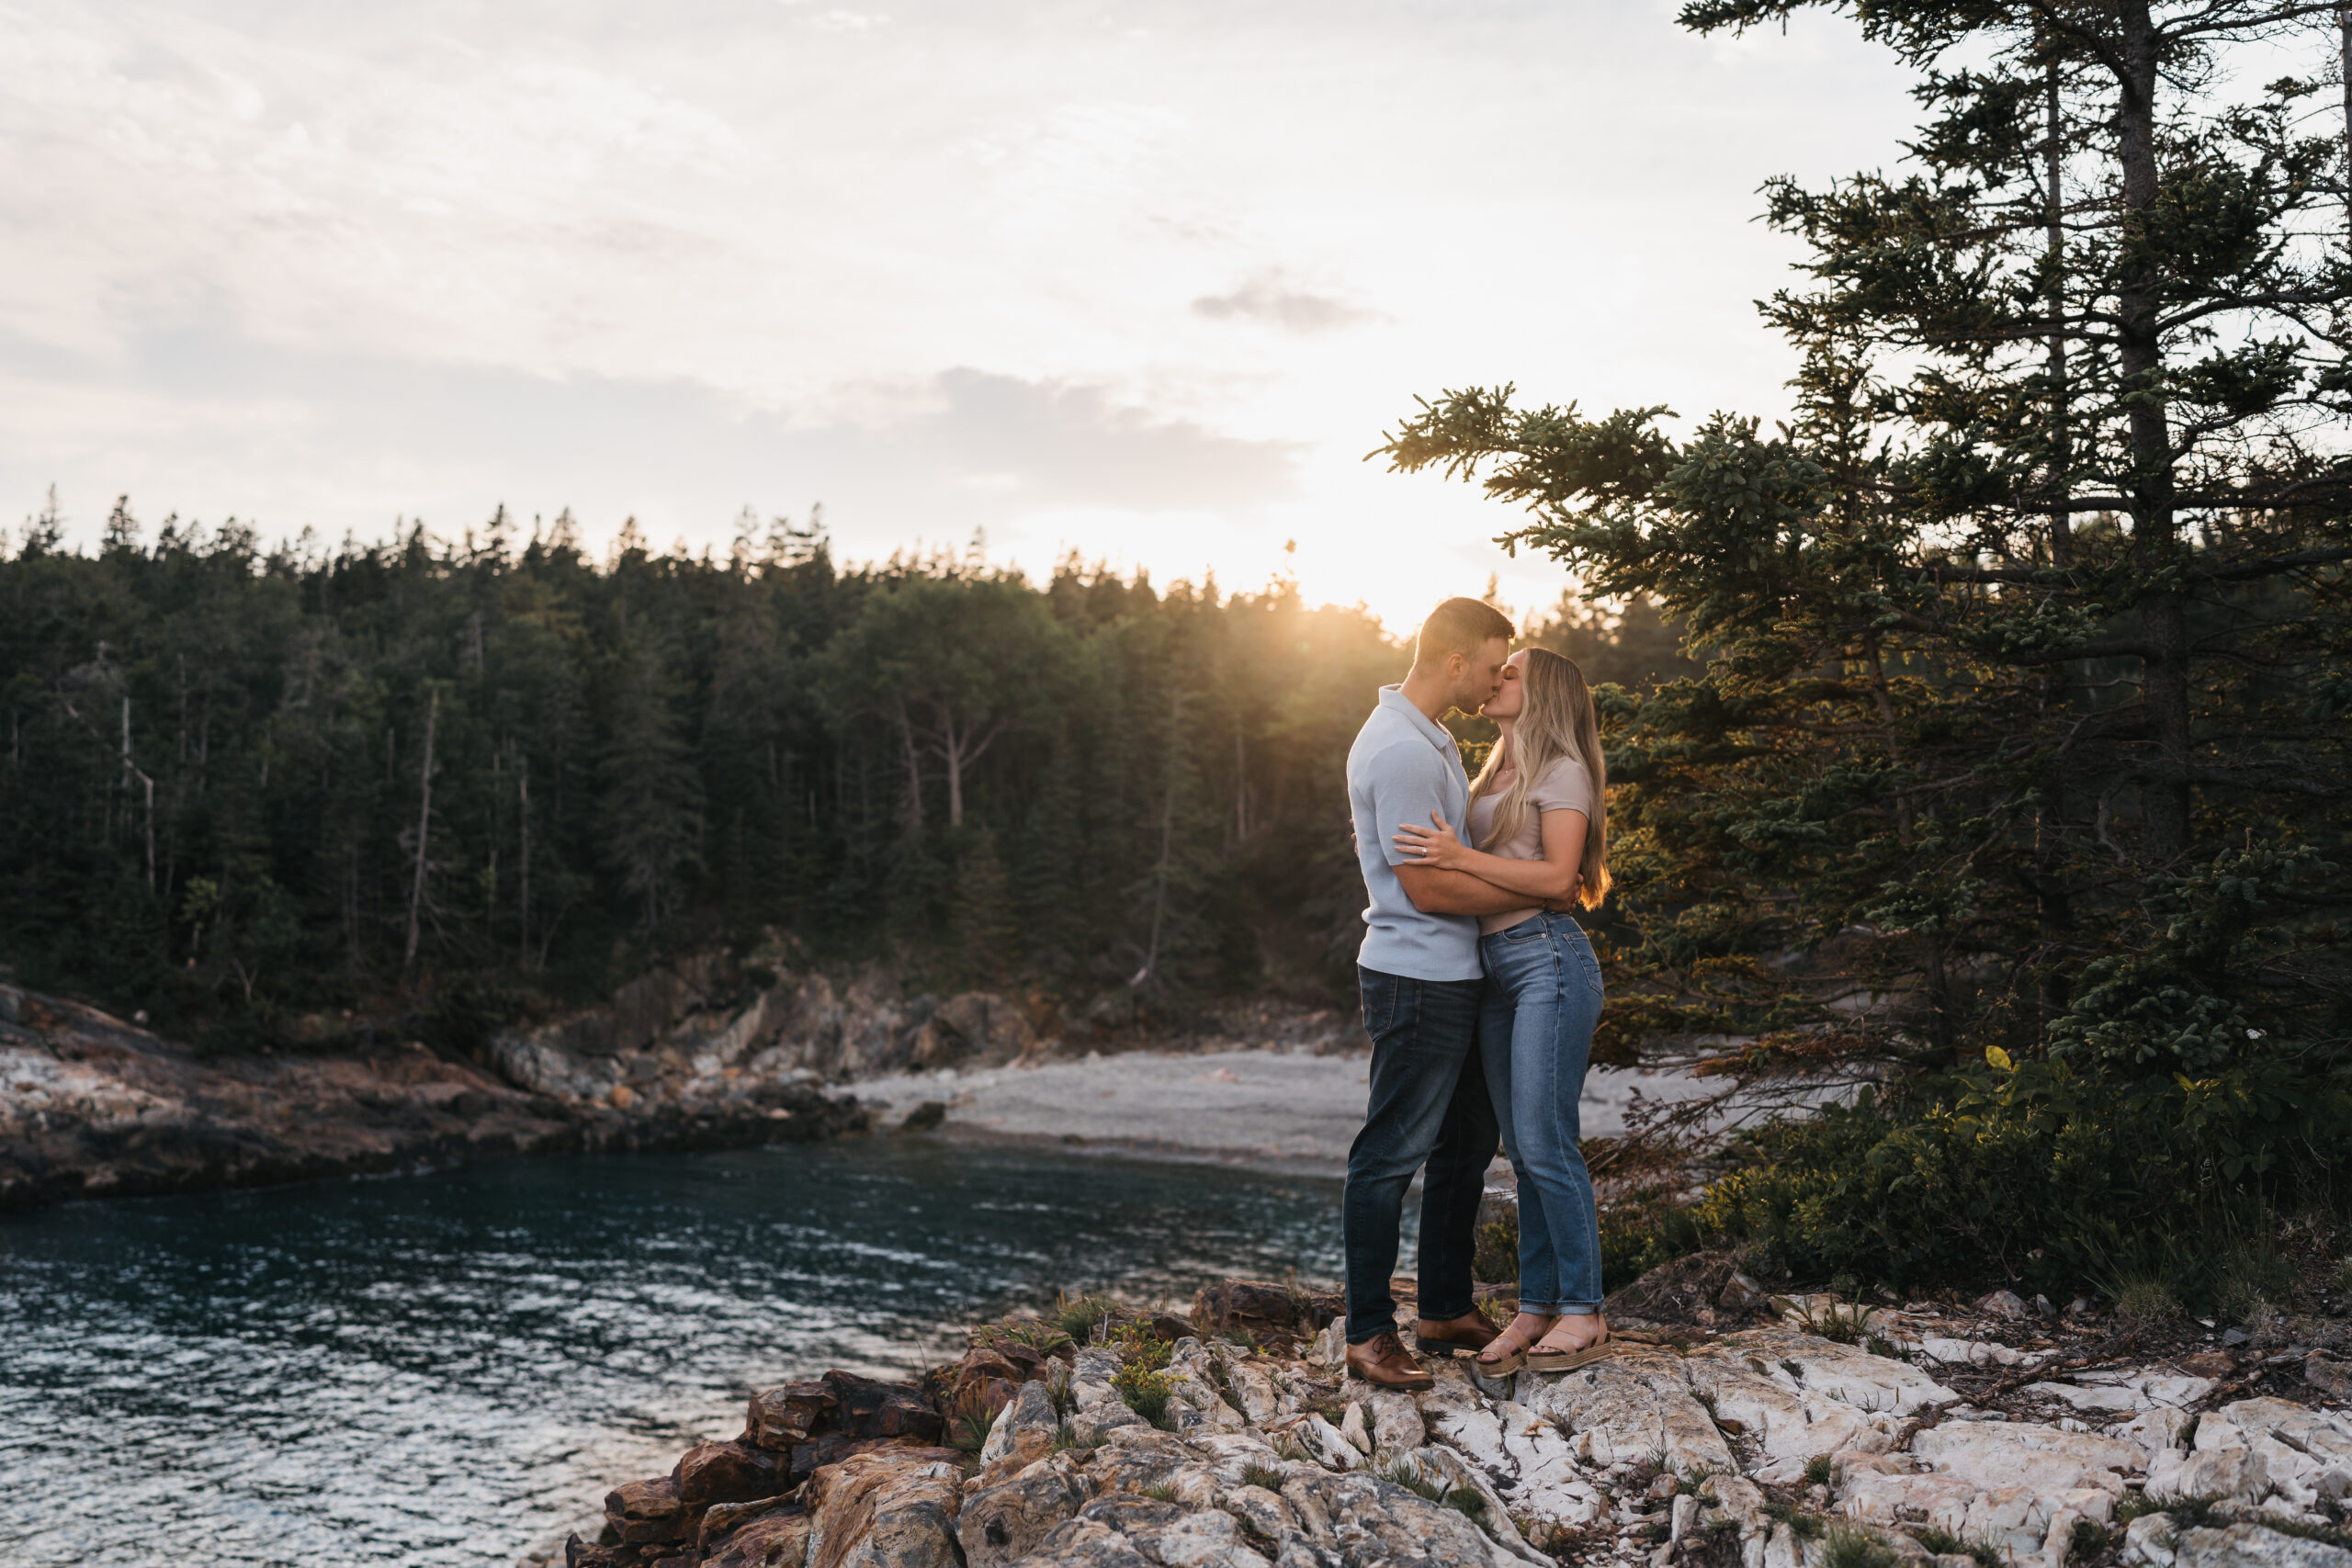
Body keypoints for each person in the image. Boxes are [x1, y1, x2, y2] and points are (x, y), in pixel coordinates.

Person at [1394, 646, 1614, 1374]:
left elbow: (1560, 880)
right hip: (1493, 969)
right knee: (1521, 1150)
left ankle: (1583, 1309)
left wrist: (1457, 858)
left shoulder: (1563, 771)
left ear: (1541, 690)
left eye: (1510, 671)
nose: (1496, 679)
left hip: (1547, 958)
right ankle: (1536, 1304)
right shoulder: (1494, 769)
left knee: (1547, 1141)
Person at [1339, 595, 1539, 1391]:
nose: (1494, 680)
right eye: (1491, 665)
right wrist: (1531, 895)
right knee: (1389, 1154)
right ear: (1455, 661)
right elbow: (1423, 887)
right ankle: (1367, 1333)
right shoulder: (1402, 750)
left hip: (1450, 975)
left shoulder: (1432, 739)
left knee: (1464, 1146)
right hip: (1416, 976)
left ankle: (1445, 1307)